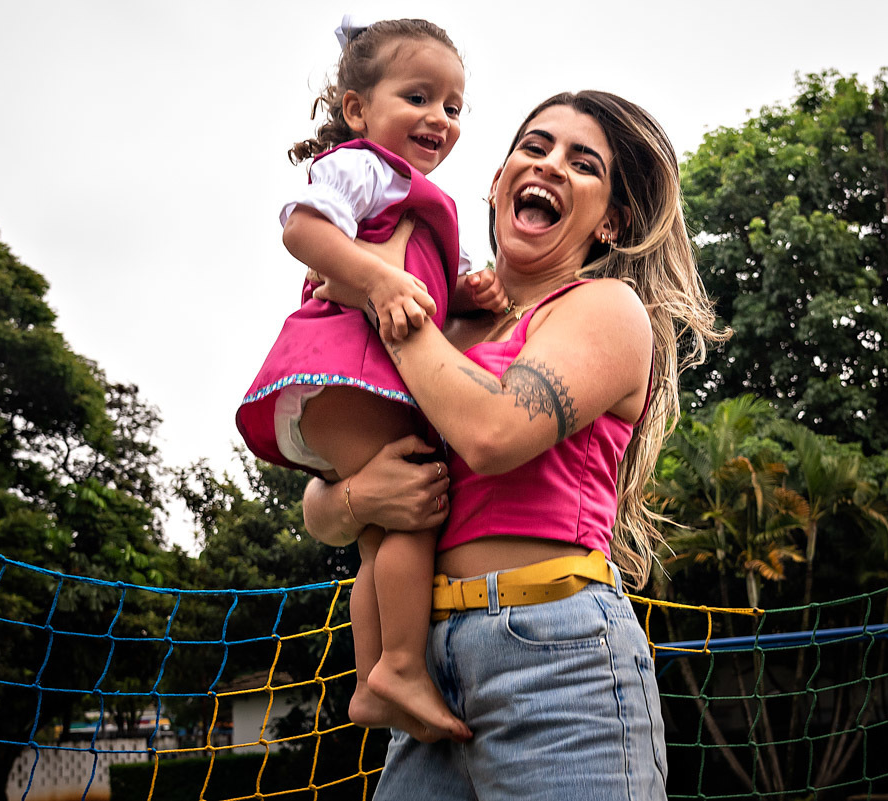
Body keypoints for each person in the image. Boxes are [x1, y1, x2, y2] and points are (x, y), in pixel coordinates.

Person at [302, 90, 728, 800]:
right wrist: (357, 496)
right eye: (534, 147)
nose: (551, 164)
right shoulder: (445, 325)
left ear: (613, 222)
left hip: (556, 651)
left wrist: (381, 295)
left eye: (582, 162)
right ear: (499, 183)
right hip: (422, 666)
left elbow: (495, 432)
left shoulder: (603, 310)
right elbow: (321, 504)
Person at [235, 17, 507, 743]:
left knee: (382, 538)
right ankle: (398, 664)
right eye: (417, 95)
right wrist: (375, 279)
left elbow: (419, 298)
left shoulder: (413, 200)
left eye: (453, 106)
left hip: (340, 390)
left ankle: (373, 681)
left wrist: (462, 293)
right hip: (341, 375)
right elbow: (301, 228)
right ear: (358, 109)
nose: (438, 117)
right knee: (417, 504)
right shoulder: (365, 167)